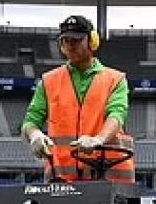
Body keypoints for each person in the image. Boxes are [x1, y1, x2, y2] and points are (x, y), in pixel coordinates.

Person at [20, 15, 134, 183]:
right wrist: (35, 135)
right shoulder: (48, 81)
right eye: (65, 41)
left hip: (108, 179)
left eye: (76, 40)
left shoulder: (115, 80)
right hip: (62, 180)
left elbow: (116, 115)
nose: (70, 46)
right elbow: (31, 120)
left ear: (92, 41)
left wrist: (98, 140)